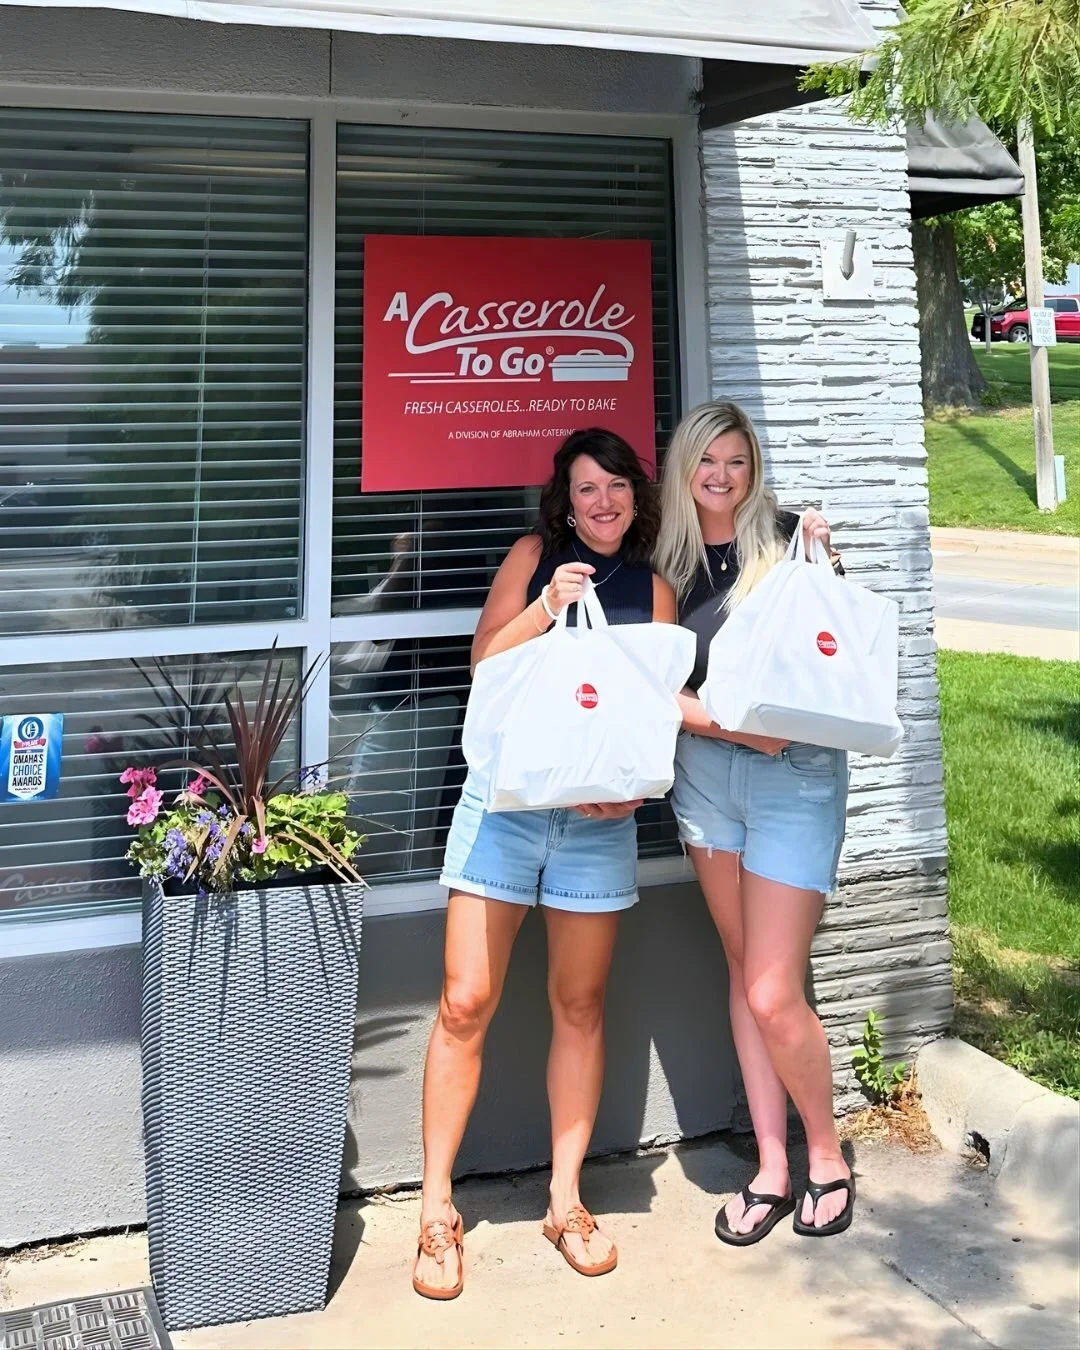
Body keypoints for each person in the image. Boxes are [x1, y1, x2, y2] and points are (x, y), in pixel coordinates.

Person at [412, 428, 677, 1300]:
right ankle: (437, 1211)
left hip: (596, 827)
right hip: (504, 809)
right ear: (566, 501)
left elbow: (651, 717)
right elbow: (483, 663)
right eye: (586, 488)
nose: (603, 502)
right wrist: (545, 607)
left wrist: (632, 797)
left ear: (636, 496)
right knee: (464, 1002)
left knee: (581, 1004)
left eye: (617, 486)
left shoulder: (653, 590)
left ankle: (566, 1201)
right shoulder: (534, 557)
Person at [655, 400, 855, 1245]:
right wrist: (717, 722)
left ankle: (828, 1157)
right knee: (745, 971)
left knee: (774, 989)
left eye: (737, 461)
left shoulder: (786, 538)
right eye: (708, 460)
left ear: (753, 468)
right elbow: (646, 682)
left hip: (791, 778)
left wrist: (828, 566)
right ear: (684, 467)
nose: (722, 476)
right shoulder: (664, 559)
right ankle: (772, 1166)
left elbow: (825, 664)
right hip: (706, 780)